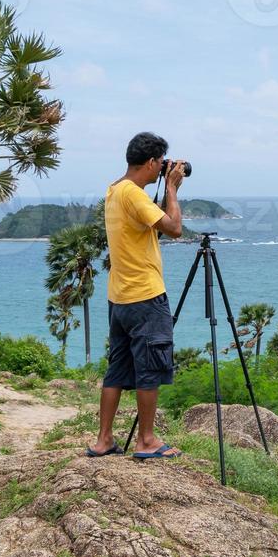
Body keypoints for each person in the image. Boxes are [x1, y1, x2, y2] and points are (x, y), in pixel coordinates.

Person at [86, 132, 187, 460]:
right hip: (145, 296)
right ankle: (146, 440)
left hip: (119, 297)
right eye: (161, 163)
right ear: (150, 162)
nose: (163, 168)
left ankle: (103, 440)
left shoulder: (115, 189)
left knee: (117, 367)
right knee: (150, 366)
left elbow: (146, 221)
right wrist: (171, 188)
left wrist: (164, 186)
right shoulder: (134, 194)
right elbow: (174, 228)